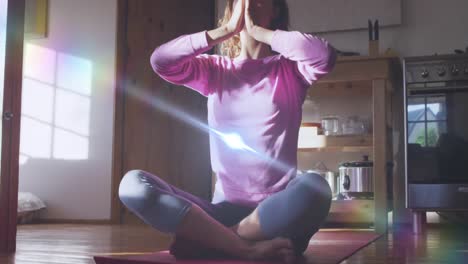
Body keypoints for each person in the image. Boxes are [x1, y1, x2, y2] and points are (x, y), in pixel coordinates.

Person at [118, 0, 336, 263]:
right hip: (221, 212)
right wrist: (223, 32)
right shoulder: (215, 70)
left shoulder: (290, 70)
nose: (249, 4)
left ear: (275, 10)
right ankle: (244, 248)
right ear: (231, 10)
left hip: (278, 216)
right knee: (132, 186)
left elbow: (324, 56)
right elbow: (161, 61)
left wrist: (262, 34)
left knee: (316, 188)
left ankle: (219, 241)